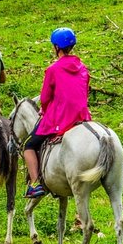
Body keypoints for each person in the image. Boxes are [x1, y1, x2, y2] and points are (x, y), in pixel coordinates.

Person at [23, 27, 92, 198]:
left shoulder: (53, 69)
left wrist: (43, 110)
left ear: (56, 47)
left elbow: (45, 98)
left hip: (60, 119)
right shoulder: (83, 68)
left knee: (29, 146)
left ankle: (35, 184)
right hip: (82, 117)